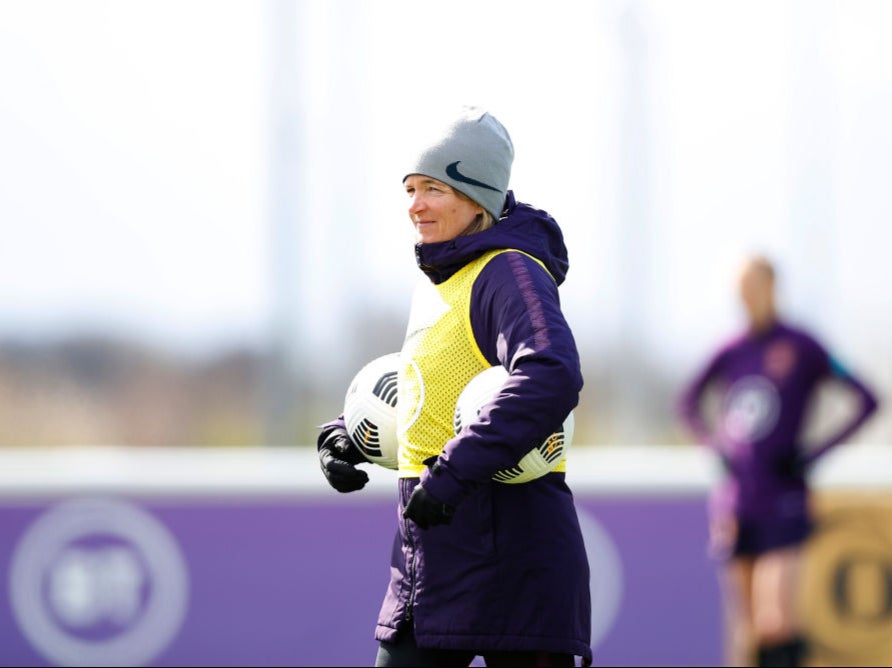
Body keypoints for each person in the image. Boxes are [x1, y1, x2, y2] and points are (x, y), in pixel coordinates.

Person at [316, 106, 592, 667]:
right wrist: (349, 434)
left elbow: (552, 372)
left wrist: (454, 472)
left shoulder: (509, 271)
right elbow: (434, 387)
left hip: (515, 568)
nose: (414, 205)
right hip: (431, 570)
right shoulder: (443, 275)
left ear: (478, 197)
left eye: (433, 188)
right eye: (411, 189)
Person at [677, 255, 879, 668]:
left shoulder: (803, 346)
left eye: (753, 286)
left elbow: (866, 398)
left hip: (783, 497)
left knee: (775, 619)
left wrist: (814, 454)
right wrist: (716, 446)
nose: (746, 297)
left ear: (771, 287)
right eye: (740, 289)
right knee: (747, 627)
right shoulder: (732, 349)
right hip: (737, 501)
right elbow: (688, 401)